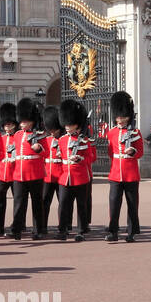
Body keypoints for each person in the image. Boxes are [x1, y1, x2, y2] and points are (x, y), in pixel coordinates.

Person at [54, 99, 96, 241]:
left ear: (76, 124)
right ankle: (62, 229)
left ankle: (81, 230)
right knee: (64, 204)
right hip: (65, 177)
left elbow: (90, 158)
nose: (67, 126)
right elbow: (59, 159)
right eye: (66, 124)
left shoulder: (84, 140)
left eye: (70, 124)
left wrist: (80, 159)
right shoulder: (61, 140)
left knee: (81, 205)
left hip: (80, 176)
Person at [8, 98, 48, 240]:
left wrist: (39, 149)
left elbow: (46, 153)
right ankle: (16, 229)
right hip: (19, 173)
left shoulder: (40, 135)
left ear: (32, 120)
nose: (22, 123)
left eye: (25, 121)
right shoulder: (17, 135)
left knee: (37, 203)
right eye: (21, 121)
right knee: (19, 203)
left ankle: (38, 230)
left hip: (35, 173)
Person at [104, 91, 141, 243]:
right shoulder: (111, 133)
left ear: (128, 116)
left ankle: (131, 232)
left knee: (132, 205)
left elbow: (140, 152)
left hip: (131, 173)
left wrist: (132, 151)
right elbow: (110, 153)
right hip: (115, 174)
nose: (120, 120)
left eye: (123, 117)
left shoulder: (135, 132)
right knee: (114, 204)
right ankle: (113, 232)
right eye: (118, 117)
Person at [0, 102, 18, 234]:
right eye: (5, 125)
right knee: (0, 201)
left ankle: (18, 224)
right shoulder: (1, 138)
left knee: (18, 202)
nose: (7, 127)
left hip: (15, 173)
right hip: (2, 173)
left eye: (10, 124)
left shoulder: (18, 137)